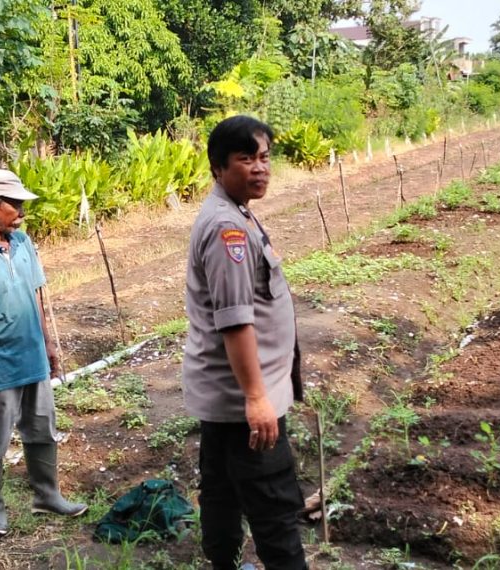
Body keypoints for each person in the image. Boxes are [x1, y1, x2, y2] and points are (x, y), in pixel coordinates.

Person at [183, 116, 308, 569]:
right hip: (244, 401)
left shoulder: (236, 213)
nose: (260, 168)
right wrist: (257, 398)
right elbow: (235, 322)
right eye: (246, 158)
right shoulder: (226, 230)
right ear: (219, 167)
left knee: (221, 493)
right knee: (274, 505)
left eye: (264, 157)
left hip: (225, 395)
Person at [0, 168, 87, 540]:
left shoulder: (24, 244)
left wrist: (49, 344)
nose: (22, 212)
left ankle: (48, 495)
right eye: (16, 205)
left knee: (42, 430)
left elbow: (35, 298)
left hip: (33, 360)